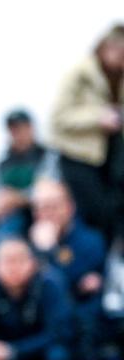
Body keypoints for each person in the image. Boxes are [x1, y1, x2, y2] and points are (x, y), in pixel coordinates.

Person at [51, 25, 124, 245]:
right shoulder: (79, 74)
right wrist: (98, 117)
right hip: (80, 158)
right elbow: (58, 119)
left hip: (112, 155)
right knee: (95, 215)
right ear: (105, 48)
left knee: (116, 210)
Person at [0, 109, 56, 235]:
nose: (16, 134)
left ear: (31, 128)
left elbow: (51, 189)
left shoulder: (47, 156)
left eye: (20, 128)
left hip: (42, 216)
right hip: (9, 220)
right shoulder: (1, 165)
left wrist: (18, 198)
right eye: (13, 130)